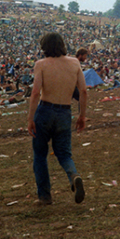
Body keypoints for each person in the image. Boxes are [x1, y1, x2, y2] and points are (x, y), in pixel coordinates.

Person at [27, 32, 86, 206]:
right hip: (64, 112)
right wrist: (82, 115)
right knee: (64, 153)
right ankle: (74, 175)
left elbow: (36, 92)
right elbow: (83, 91)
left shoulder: (41, 64)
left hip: (45, 110)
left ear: (44, 47)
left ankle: (45, 196)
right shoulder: (75, 63)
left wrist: (30, 118)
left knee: (40, 155)